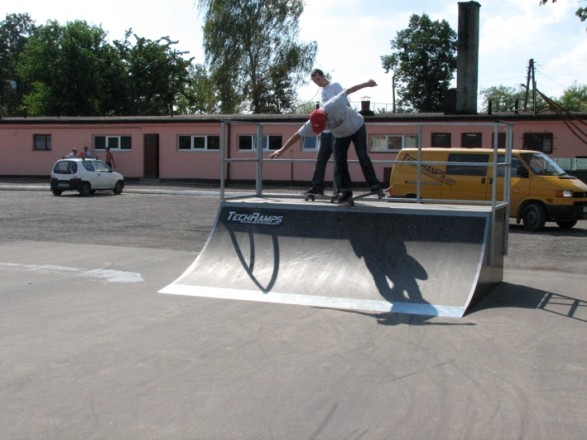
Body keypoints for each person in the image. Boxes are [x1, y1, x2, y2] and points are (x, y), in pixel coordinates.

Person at [268, 79, 381, 204]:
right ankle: (346, 190)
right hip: (340, 136)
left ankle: (374, 184)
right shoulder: (311, 122)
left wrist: (367, 84)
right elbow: (297, 135)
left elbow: (349, 90)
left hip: (357, 127)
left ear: (326, 116)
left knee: (362, 155)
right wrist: (282, 149)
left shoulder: (334, 103)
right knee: (339, 162)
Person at [306, 69, 347, 196]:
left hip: (336, 130)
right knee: (320, 159)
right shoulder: (322, 91)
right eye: (314, 81)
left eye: (318, 79)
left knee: (339, 160)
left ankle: (341, 189)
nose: (317, 83)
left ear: (324, 76)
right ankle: (317, 186)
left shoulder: (335, 86)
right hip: (325, 131)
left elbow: (344, 103)